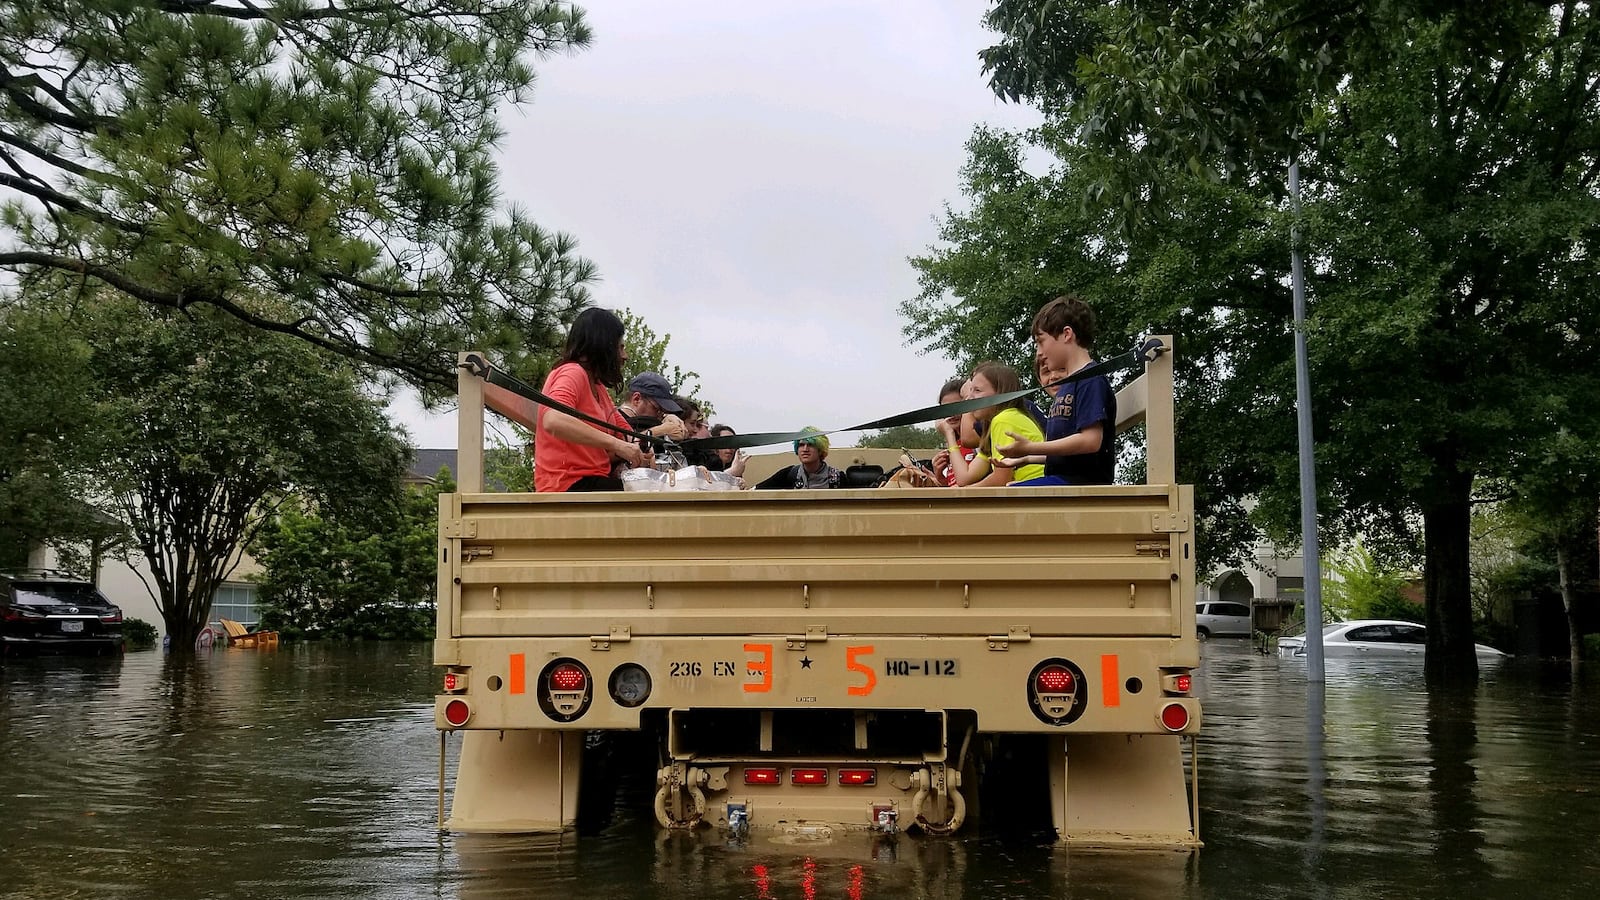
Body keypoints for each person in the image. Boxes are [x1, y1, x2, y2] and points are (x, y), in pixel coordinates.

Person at [482, 308, 646, 492]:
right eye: (620, 347)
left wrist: (642, 448)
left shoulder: (597, 386)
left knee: (651, 491)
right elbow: (553, 420)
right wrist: (617, 445)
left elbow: (625, 433)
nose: (625, 356)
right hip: (567, 484)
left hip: (590, 482)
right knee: (650, 500)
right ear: (603, 345)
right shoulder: (572, 373)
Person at [998, 295, 1117, 485]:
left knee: (1000, 501)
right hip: (1065, 481)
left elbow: (1091, 441)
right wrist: (1026, 455)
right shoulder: (1069, 384)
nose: (1038, 352)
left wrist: (1032, 446)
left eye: (1041, 341)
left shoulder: (1090, 379)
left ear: (1067, 334)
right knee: (1005, 495)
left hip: (1081, 484)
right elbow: (1066, 457)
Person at [938, 362, 1045, 486]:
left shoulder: (1004, 419)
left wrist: (963, 493)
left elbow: (1001, 480)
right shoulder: (993, 425)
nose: (969, 399)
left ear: (1000, 394)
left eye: (977, 390)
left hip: (1037, 493)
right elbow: (964, 478)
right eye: (969, 392)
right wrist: (949, 434)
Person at [753, 427, 844, 489]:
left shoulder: (838, 478)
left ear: (820, 450)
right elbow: (754, 492)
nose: (805, 449)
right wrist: (738, 475)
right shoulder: (789, 475)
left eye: (810, 445)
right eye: (801, 445)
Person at [930, 377, 978, 487]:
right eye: (946, 409)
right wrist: (940, 478)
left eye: (956, 407)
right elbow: (956, 487)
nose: (951, 414)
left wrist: (948, 433)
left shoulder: (978, 441)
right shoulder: (955, 445)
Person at [619, 372, 688, 443]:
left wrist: (669, 417)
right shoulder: (612, 418)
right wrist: (658, 432)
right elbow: (621, 447)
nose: (659, 416)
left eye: (663, 411)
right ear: (637, 399)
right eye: (657, 409)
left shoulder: (651, 421)